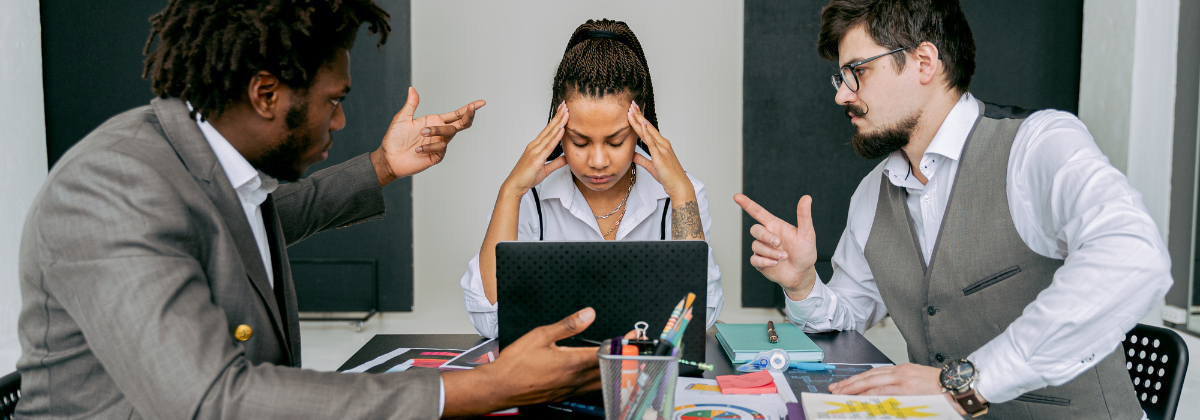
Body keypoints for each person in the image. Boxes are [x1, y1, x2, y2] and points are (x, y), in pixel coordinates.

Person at [15, 1, 600, 418]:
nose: (341, 120)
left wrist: (384, 165)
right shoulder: (112, 187)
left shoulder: (203, 164)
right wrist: (485, 388)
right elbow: (212, 402)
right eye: (334, 101)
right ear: (266, 94)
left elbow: (272, 218)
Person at [735, 0, 1170, 418]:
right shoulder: (873, 194)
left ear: (925, 62)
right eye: (841, 77)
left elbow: (1134, 257)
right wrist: (803, 284)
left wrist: (968, 381)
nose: (843, 96)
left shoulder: (1038, 146)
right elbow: (844, 322)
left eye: (858, 72)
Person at [460, 19, 724, 339]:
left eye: (615, 142)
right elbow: (490, 321)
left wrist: (681, 193)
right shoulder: (527, 196)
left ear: (641, 129)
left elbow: (697, 319)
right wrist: (510, 191)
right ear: (558, 132)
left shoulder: (684, 194)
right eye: (580, 142)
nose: (597, 162)